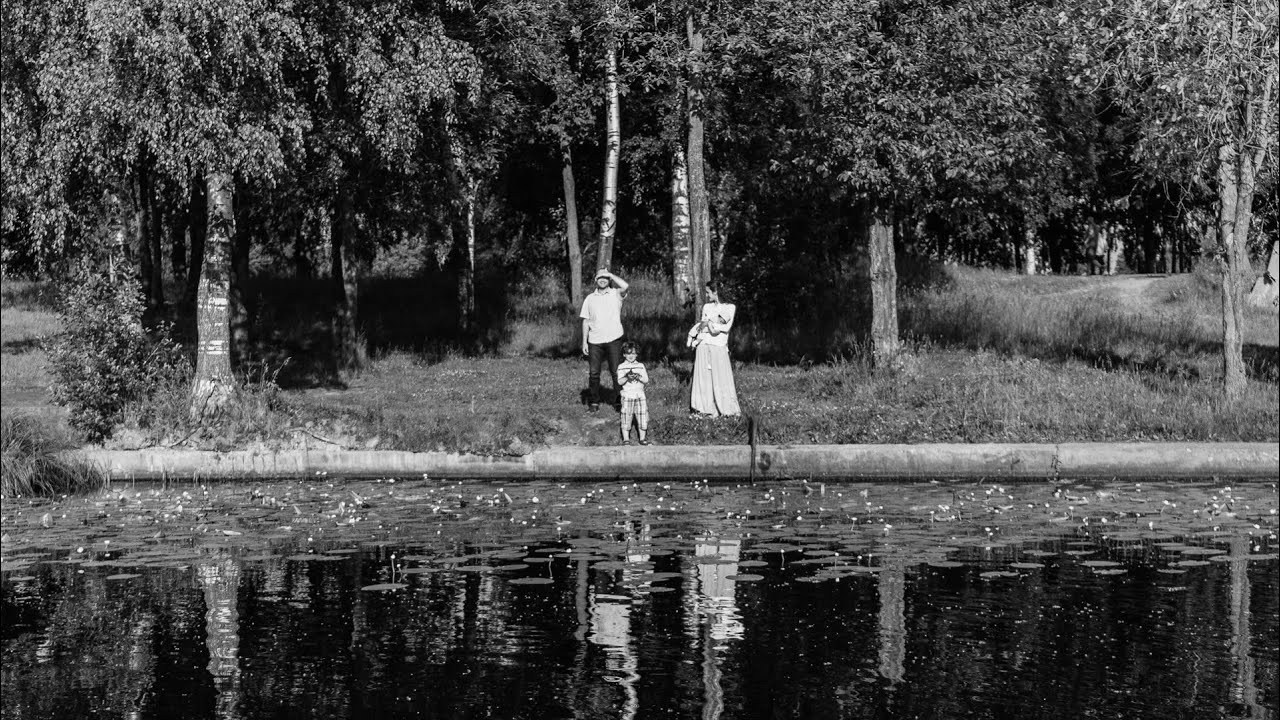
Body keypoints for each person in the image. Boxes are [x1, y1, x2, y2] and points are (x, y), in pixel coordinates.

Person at [686, 281, 741, 417]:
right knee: (703, 379)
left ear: (715, 292)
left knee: (721, 379)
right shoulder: (707, 307)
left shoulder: (729, 307)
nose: (707, 295)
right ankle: (706, 410)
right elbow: (701, 327)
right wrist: (705, 328)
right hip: (703, 344)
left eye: (708, 292)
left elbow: (724, 328)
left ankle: (729, 411)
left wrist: (709, 324)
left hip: (718, 346)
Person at [580, 268, 629, 412]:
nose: (603, 279)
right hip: (594, 340)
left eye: (605, 278)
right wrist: (584, 341)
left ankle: (619, 401)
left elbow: (625, 286)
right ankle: (594, 402)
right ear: (595, 280)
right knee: (594, 373)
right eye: (600, 277)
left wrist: (611, 274)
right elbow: (586, 321)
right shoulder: (589, 298)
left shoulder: (616, 294)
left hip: (614, 339)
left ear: (609, 280)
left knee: (616, 371)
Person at [616, 341, 651, 445]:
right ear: (624, 354)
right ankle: (626, 439)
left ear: (637, 354)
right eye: (628, 353)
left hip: (640, 395)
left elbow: (646, 380)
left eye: (633, 353)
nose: (631, 356)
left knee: (642, 416)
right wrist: (627, 377)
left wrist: (638, 376)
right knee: (626, 416)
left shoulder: (640, 366)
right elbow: (619, 381)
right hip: (627, 395)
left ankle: (642, 438)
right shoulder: (621, 367)